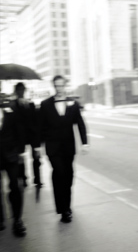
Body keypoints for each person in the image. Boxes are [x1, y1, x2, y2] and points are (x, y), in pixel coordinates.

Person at [37, 75, 88, 223]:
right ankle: (63, 209)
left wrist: (85, 143)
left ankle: (66, 206)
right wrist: (38, 146)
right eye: (57, 86)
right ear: (54, 86)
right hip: (53, 148)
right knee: (59, 173)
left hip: (68, 147)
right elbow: (40, 127)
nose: (59, 89)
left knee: (69, 175)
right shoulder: (45, 104)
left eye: (61, 86)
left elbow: (80, 123)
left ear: (65, 86)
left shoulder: (73, 103)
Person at [0, 93, 27, 236]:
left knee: (15, 187)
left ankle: (18, 220)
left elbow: (20, 131)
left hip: (11, 156)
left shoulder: (10, 111)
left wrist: (21, 152)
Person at [11, 82, 42, 188]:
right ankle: (23, 178)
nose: (21, 92)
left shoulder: (30, 104)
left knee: (36, 158)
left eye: (23, 90)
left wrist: (38, 139)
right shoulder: (13, 105)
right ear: (16, 91)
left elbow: (35, 121)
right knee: (21, 159)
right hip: (19, 137)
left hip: (31, 135)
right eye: (19, 90)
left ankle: (37, 179)